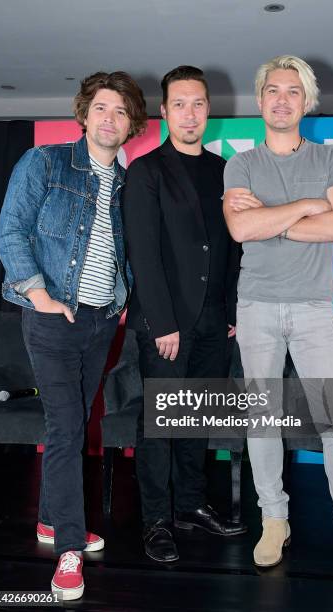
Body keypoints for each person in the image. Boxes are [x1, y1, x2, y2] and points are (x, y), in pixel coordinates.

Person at [223, 55, 333, 590]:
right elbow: (240, 230)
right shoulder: (240, 165)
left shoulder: (332, 157)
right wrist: (305, 208)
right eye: (273, 90)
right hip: (257, 307)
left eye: (294, 91)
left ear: (307, 102)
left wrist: (274, 219)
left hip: (315, 308)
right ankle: (274, 520)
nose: (283, 99)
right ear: (261, 99)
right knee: (261, 420)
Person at [0, 71, 147, 600]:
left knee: (77, 419)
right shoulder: (45, 162)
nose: (110, 118)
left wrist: (121, 299)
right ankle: (67, 548)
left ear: (132, 125)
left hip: (101, 319)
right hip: (52, 315)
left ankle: (49, 520)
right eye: (101, 108)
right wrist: (39, 296)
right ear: (84, 114)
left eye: (121, 111)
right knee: (65, 426)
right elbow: (9, 229)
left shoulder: (128, 180)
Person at [123, 65, 245, 563]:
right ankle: (155, 519)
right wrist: (162, 322)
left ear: (207, 109)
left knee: (197, 418)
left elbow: (232, 246)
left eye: (197, 103)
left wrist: (231, 308)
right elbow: (143, 253)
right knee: (159, 425)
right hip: (167, 324)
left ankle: (191, 506)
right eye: (179, 104)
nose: (189, 113)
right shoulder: (147, 170)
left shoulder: (224, 170)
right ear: (165, 111)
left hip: (216, 320)